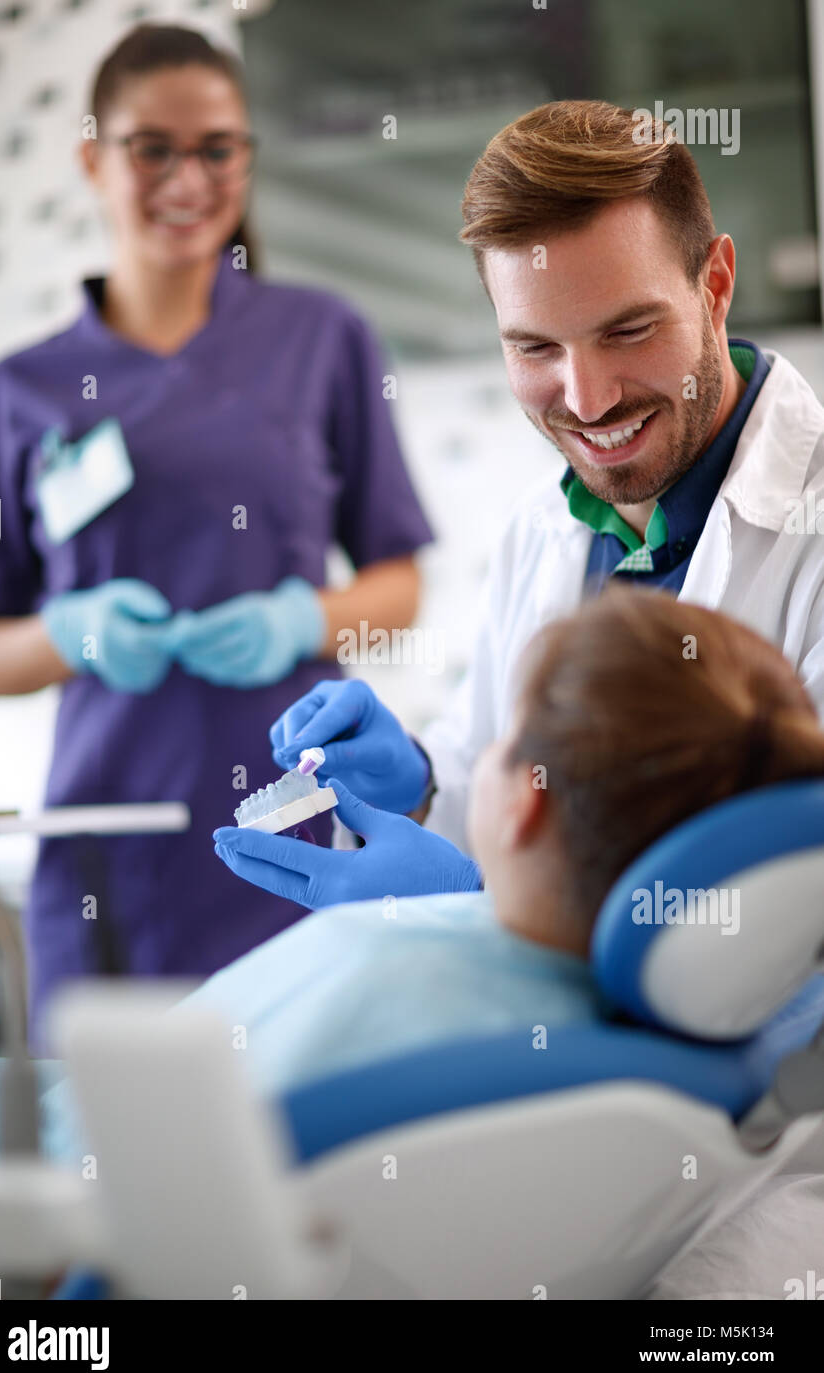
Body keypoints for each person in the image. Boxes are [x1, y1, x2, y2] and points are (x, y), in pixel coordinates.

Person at [214, 98, 824, 908]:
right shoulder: (545, 528)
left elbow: (787, 918)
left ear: (714, 285)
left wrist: (470, 909)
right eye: (536, 347)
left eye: (630, 330)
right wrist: (420, 785)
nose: (589, 398)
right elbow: (497, 798)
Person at [0, 24, 433, 1053]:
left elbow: (398, 582)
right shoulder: (17, 393)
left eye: (216, 147)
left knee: (302, 1163)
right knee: (111, 1173)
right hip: (104, 860)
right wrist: (68, 633)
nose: (188, 176)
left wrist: (302, 615)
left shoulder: (322, 340)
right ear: (92, 158)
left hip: (287, 828)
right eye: (151, 148)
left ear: (246, 160)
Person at [12, 584, 824, 1166]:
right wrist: (428, 810)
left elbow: (102, 1169)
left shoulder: (373, 971)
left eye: (508, 741)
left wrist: (444, 917)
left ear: (523, 809)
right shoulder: (677, 1057)